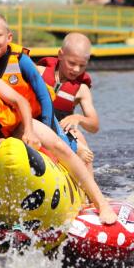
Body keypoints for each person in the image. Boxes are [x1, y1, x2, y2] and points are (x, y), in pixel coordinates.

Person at [0, 37, 116, 225]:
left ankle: (100, 203)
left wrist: (29, 131)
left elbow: (20, 101)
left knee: (60, 146)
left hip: (14, 128)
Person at [0, 10, 87, 198]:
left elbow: (44, 97)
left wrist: (43, 128)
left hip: (39, 120)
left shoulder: (21, 61)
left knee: (63, 150)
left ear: (9, 37)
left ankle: (83, 187)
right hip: (6, 128)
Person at [37, 32, 98, 172]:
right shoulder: (39, 72)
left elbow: (94, 125)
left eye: (82, 65)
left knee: (81, 140)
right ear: (60, 54)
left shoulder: (81, 90)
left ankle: (90, 192)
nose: (76, 69)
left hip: (62, 130)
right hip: (37, 123)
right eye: (71, 63)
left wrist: (78, 118)